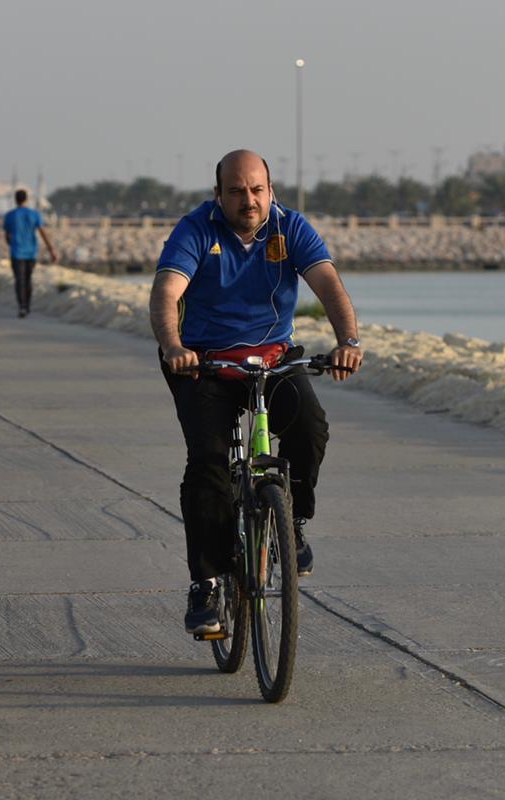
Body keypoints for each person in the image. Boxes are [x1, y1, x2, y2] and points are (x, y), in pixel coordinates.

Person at [150, 149, 364, 636]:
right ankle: (206, 584)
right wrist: (173, 346)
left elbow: (328, 284)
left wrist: (348, 342)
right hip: (204, 362)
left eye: (256, 190)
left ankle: (293, 521)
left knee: (310, 427)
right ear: (218, 194)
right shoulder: (196, 230)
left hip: (273, 357)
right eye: (236, 191)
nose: (248, 200)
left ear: (270, 190)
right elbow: (166, 291)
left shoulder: (291, 228)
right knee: (208, 462)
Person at [2, 189, 57, 318]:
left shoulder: (10, 215)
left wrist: (11, 244)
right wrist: (51, 250)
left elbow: (7, 235)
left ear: (15, 200)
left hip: (16, 252)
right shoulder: (34, 214)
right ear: (26, 199)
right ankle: (27, 305)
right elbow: (43, 233)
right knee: (28, 279)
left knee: (19, 280)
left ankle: (22, 306)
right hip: (31, 252)